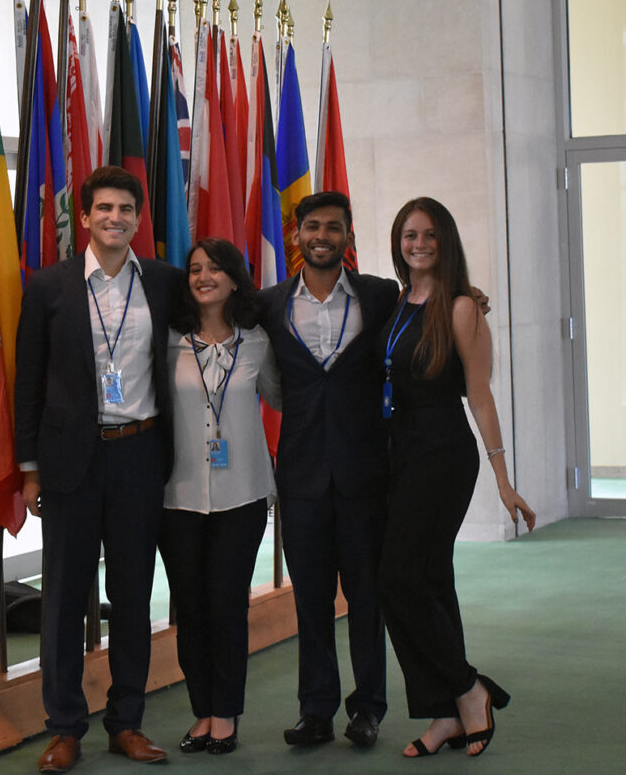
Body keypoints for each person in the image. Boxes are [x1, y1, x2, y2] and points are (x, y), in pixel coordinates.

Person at [15, 166, 183, 772]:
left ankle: (127, 722)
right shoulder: (49, 287)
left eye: (127, 209)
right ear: (84, 217)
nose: (116, 218)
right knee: (62, 598)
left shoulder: (165, 283)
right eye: (104, 208)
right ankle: (63, 727)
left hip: (140, 456)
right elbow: (27, 381)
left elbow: (229, 312)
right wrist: (29, 471)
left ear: (139, 218)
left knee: (134, 594)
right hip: (69, 464)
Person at [377, 197, 535, 758]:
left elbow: (480, 395)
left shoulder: (462, 307)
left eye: (428, 235)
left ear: (445, 242)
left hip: (441, 456)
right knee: (431, 582)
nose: (417, 244)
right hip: (399, 455)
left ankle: (470, 689)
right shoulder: (399, 301)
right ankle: (442, 714)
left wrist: (503, 478)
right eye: (408, 235)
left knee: (397, 578)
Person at [257, 191, 398, 749]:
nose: (322, 235)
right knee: (309, 599)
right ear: (296, 236)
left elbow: (429, 305)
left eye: (333, 227)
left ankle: (368, 708)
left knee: (367, 597)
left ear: (348, 236)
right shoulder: (268, 304)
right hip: (301, 476)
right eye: (312, 226)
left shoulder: (380, 296)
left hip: (366, 473)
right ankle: (315, 710)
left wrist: (472, 297)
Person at [159, 239, 280, 756]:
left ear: (235, 278)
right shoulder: (168, 342)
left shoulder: (259, 341)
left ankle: (226, 712)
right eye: (195, 269)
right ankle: (202, 711)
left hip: (243, 495)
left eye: (215, 268)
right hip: (177, 496)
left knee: (227, 605)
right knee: (190, 608)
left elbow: (282, 395)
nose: (203, 276)